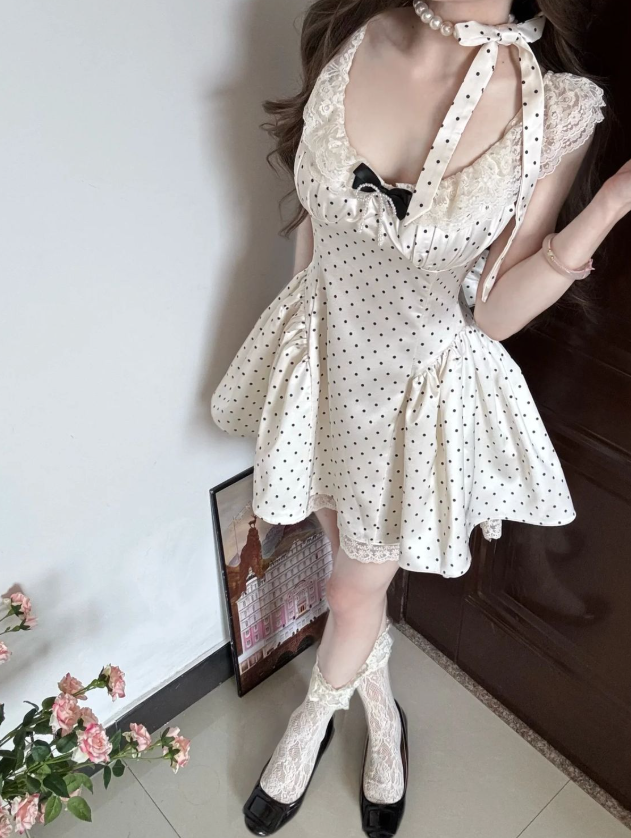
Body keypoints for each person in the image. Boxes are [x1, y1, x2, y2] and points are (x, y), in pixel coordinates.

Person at [211, 0, 631, 834]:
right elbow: (317, 218)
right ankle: (380, 708)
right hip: (320, 361)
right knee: (350, 576)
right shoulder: (349, 30)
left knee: (347, 586)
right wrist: (300, 344)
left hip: (414, 403)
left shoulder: (551, 109)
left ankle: (312, 721)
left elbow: (493, 313)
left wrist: (613, 202)